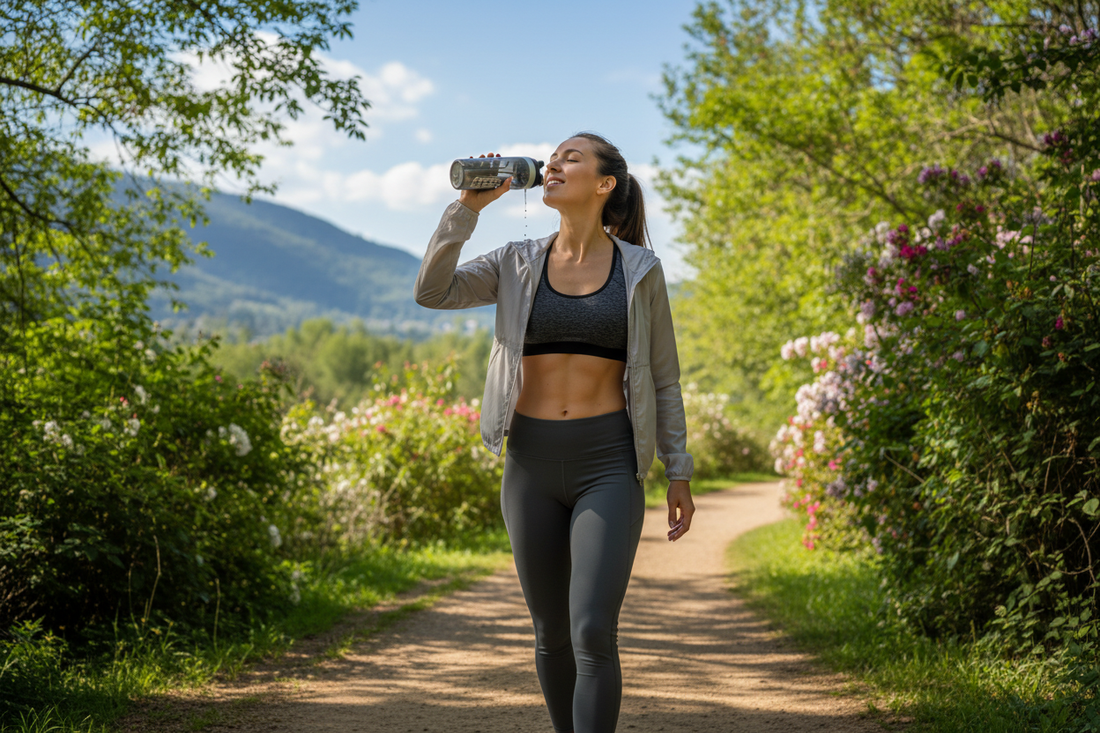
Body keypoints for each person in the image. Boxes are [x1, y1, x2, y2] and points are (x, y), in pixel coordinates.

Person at [414, 132, 694, 733]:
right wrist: (467, 207)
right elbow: (431, 293)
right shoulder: (515, 262)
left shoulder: (641, 271)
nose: (554, 165)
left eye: (572, 157)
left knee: (591, 628)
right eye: (553, 158)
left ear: (604, 184)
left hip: (608, 462)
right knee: (550, 632)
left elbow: (665, 380)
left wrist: (679, 470)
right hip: (530, 463)